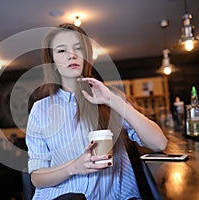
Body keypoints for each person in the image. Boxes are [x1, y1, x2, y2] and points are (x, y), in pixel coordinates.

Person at [25, 23, 168, 200]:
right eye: (62, 51)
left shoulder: (110, 97)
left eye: (79, 48)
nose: (72, 55)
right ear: (52, 62)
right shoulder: (40, 109)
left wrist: (112, 100)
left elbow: (159, 143)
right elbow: (37, 178)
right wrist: (74, 167)